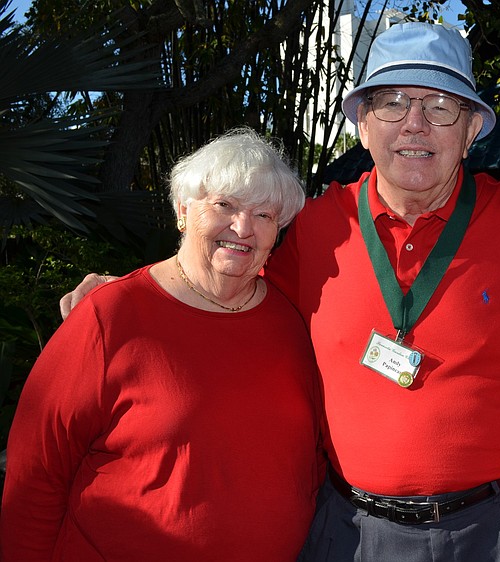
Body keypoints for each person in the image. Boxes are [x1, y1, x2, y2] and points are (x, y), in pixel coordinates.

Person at [59, 23, 500, 561]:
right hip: (353, 531)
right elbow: (226, 289)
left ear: (470, 132)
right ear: (363, 125)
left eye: (440, 107)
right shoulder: (316, 227)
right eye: (392, 103)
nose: (415, 123)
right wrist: (138, 298)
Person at [2, 129, 324, 561]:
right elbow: (36, 475)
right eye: (224, 205)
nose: (243, 227)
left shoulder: (293, 319)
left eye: (264, 214)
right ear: (183, 211)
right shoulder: (110, 315)